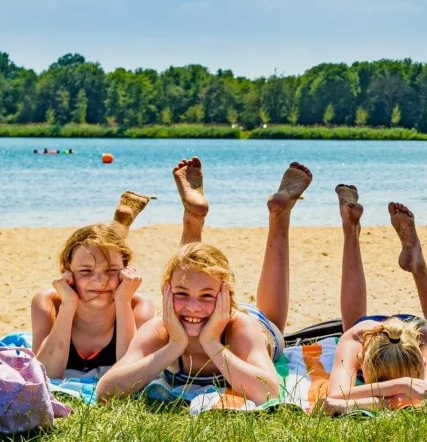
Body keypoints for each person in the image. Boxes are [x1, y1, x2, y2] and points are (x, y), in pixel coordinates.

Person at [96, 157, 312, 405]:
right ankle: (210, 215)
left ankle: (279, 216)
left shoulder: (241, 328)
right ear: (166, 292)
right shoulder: (161, 328)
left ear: (226, 296)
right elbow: (106, 390)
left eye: (207, 296)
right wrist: (175, 345)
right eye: (180, 295)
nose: (193, 308)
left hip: (245, 320)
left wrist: (211, 343)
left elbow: (268, 392)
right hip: (203, 305)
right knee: (186, 268)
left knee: (273, 322)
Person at [322, 186, 427, 412]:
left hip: (393, 330)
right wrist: (403, 387)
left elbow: (336, 399)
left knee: (351, 326)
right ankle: (416, 265)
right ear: (422, 363)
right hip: (412, 329)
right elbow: (335, 400)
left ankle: (351, 228)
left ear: (361, 356)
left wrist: (388, 396)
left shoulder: (355, 340)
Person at [31, 192, 155, 378]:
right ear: (66, 272)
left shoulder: (137, 305)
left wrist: (123, 303)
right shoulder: (49, 303)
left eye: (112, 270)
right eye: (86, 271)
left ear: (126, 271)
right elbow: (45, 374)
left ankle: (118, 229)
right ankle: (119, 228)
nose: (99, 281)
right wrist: (68, 306)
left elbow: (130, 376)